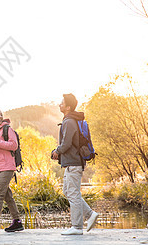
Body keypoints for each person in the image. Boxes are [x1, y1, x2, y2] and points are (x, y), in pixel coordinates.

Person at [52, 94, 99, 235]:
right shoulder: (70, 120)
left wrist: (57, 151)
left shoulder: (69, 121)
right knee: (68, 191)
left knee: (72, 193)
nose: (59, 105)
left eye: (62, 103)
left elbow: (66, 144)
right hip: (71, 163)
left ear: (68, 107)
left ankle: (77, 227)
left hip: (73, 163)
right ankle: (90, 214)